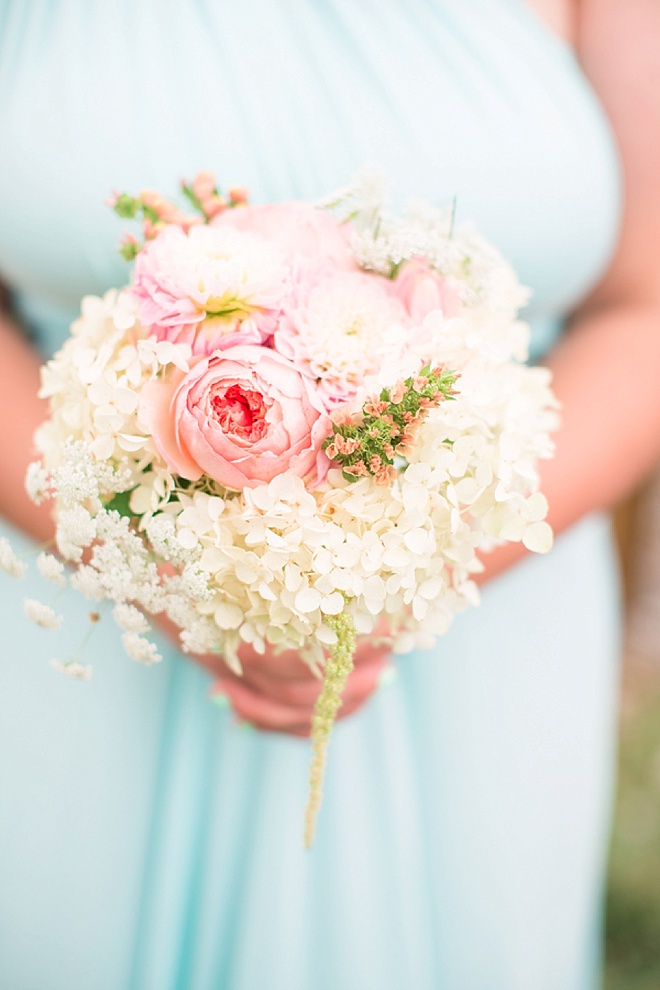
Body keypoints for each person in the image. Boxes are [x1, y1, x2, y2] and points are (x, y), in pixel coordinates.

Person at [0, 1, 659, 987]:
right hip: (72, 602)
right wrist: (176, 575)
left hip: (483, 633)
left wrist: (406, 570)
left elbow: (648, 309)